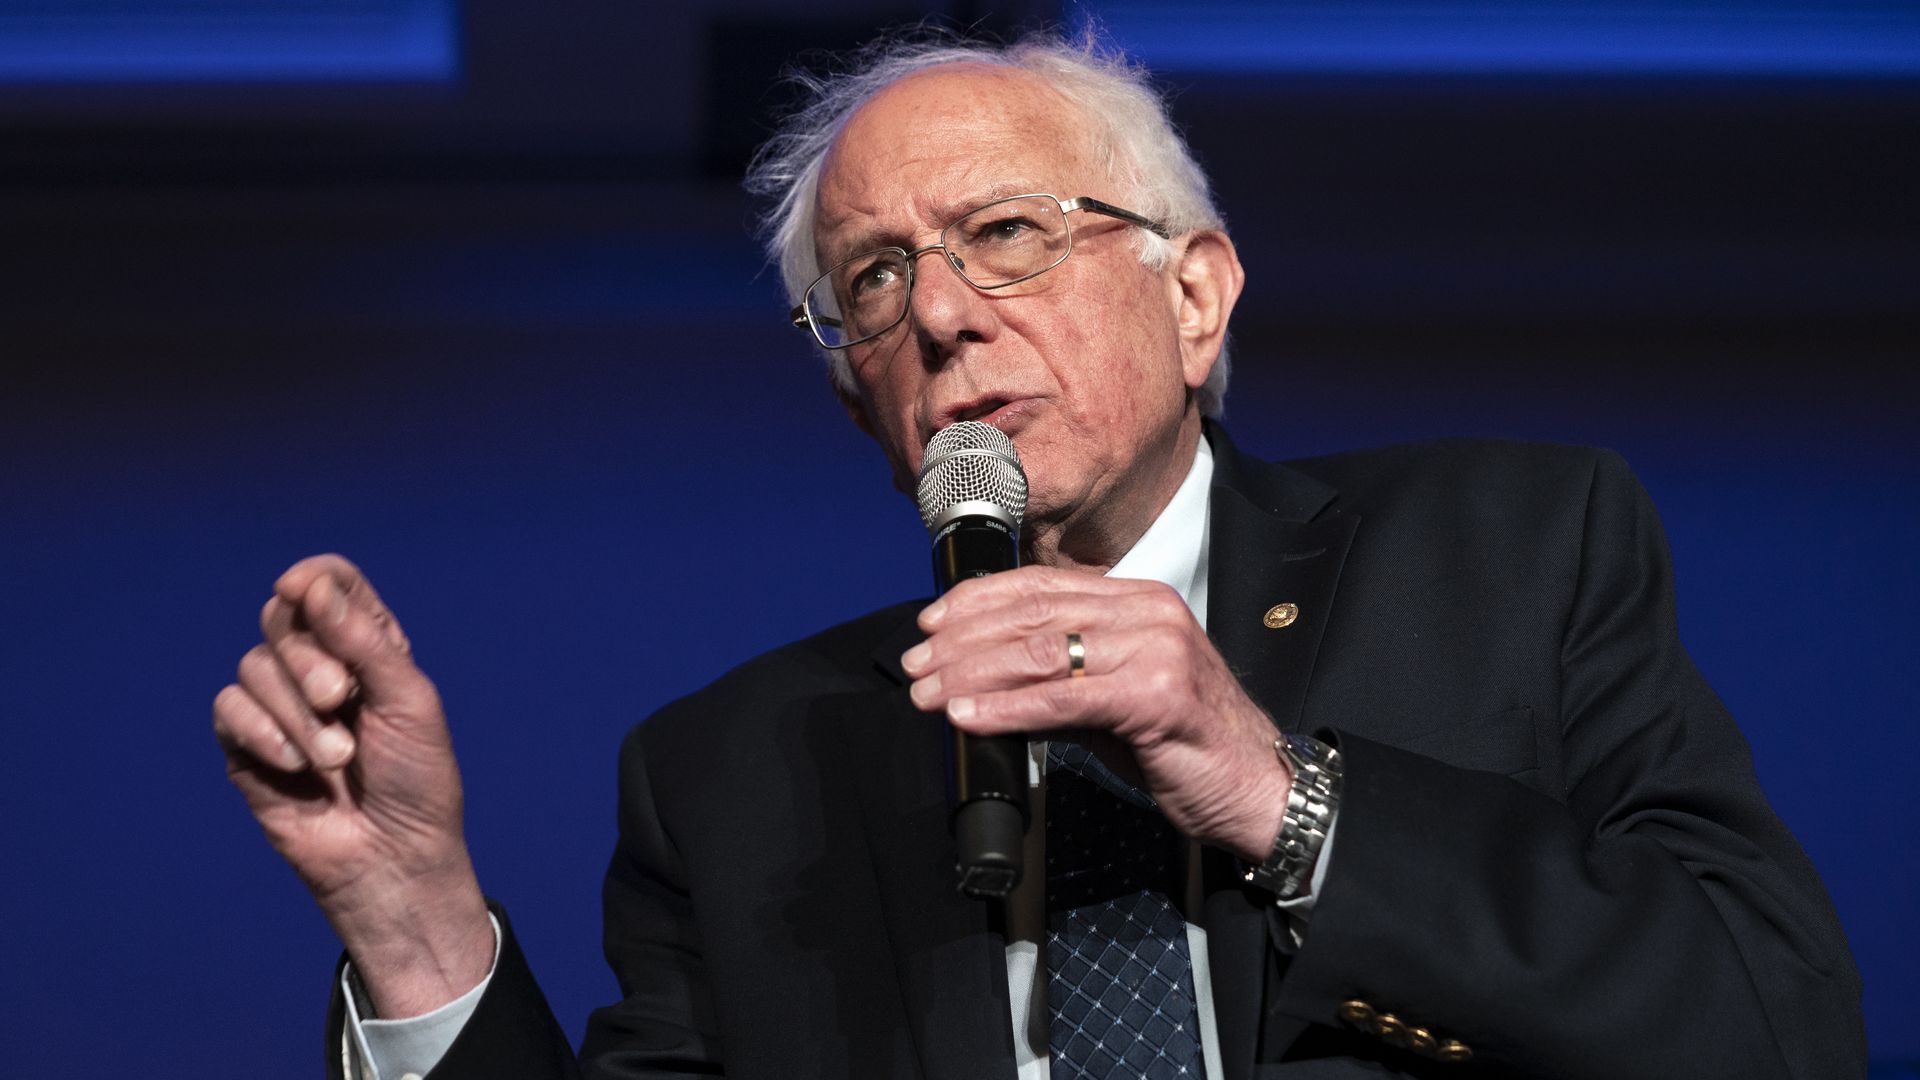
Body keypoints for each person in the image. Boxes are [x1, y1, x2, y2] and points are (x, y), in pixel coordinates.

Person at [212, 30, 1865, 1080]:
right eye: (870, 284)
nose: (936, 312)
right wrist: (414, 922)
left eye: (1005, 235)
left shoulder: (1514, 548)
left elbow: (1775, 1023)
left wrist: (1274, 792)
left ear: (1195, 292)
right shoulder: (733, 777)